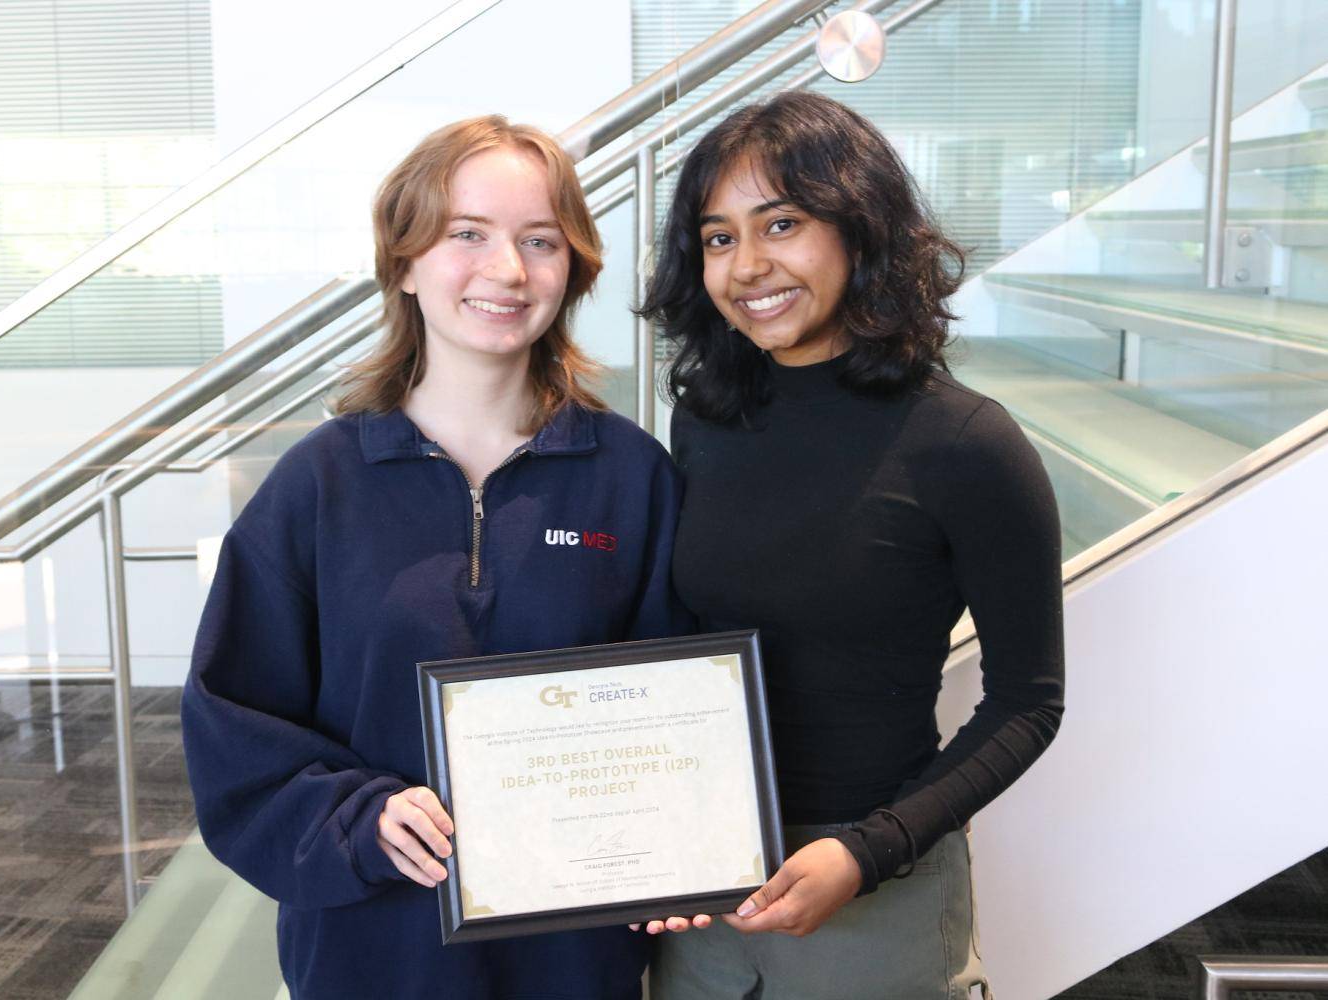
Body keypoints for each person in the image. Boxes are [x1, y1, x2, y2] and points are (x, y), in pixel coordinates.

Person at [181, 115, 691, 1000]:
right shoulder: (318, 486)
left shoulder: (631, 476)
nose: (508, 270)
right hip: (372, 955)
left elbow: (683, 703)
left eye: (540, 240)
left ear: (571, 270)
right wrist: (359, 820)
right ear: (405, 262)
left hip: (574, 960)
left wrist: (688, 848)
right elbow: (233, 728)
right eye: (467, 235)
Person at [635, 90, 1065, 999]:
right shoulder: (706, 418)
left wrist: (866, 852)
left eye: (781, 223)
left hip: (874, 894)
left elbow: (1028, 705)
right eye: (718, 238)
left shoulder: (965, 442)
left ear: (859, 227)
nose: (748, 266)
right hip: (708, 892)